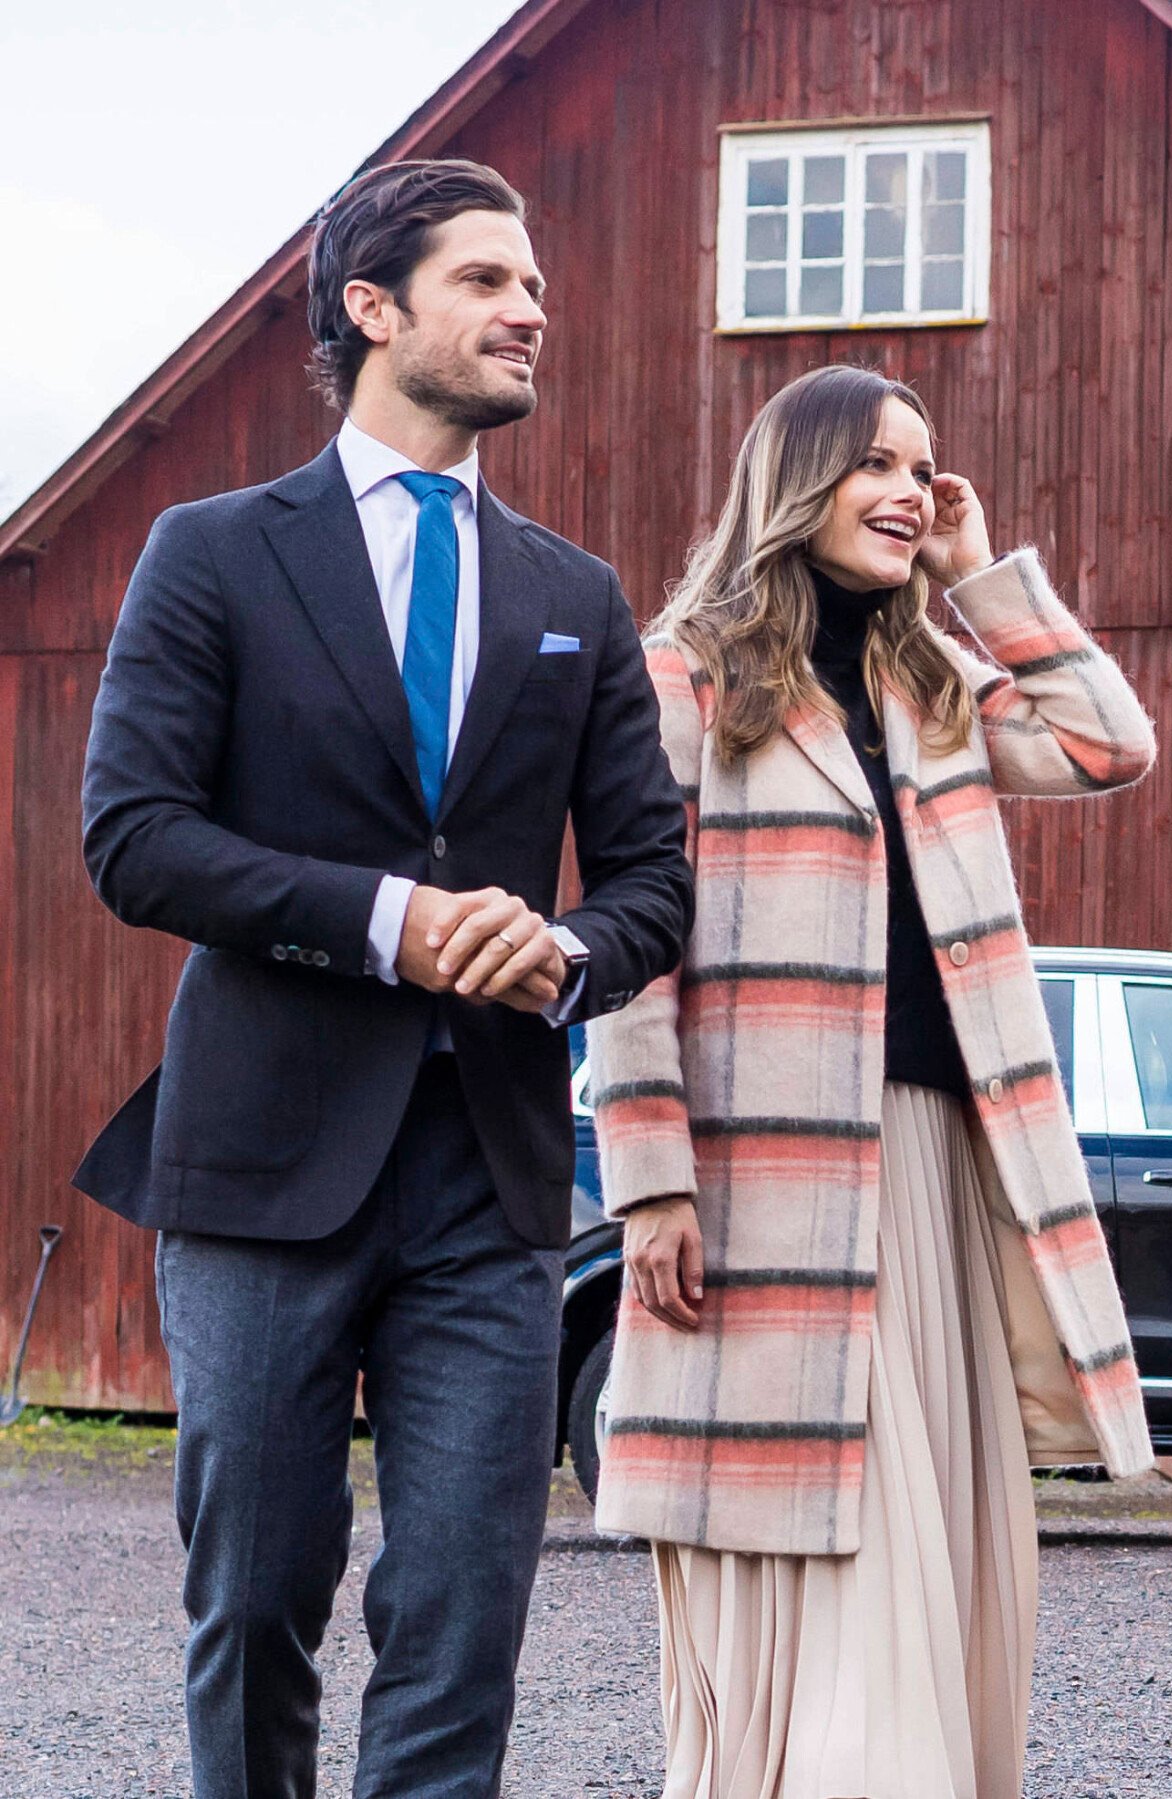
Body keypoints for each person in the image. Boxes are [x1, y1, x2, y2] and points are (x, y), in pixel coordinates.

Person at [74, 158, 692, 1799]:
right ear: (372, 309)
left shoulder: (577, 596)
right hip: (262, 1159)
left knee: (461, 1614)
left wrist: (566, 951)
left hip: (489, 1182)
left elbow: (652, 880)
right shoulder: (208, 553)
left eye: (534, 285)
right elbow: (134, 839)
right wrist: (385, 921)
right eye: (489, 281)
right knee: (259, 1594)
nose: (530, 310)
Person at [588, 364, 1156, 1799]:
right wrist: (649, 1180)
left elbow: (1108, 743)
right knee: (805, 1539)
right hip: (765, 1183)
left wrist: (983, 578)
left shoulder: (932, 680)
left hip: (938, 1173)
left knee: (938, 1545)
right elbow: (629, 948)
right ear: (800, 478)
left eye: (926, 467)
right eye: (880, 467)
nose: (911, 490)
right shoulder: (682, 674)